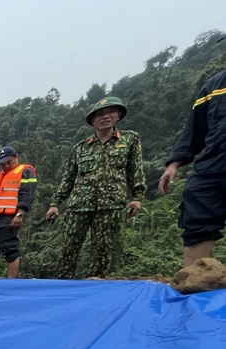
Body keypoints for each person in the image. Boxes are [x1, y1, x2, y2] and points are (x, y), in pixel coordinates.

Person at [46, 97, 146, 279]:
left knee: (102, 252)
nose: (105, 117)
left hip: (110, 205)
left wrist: (137, 197)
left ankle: (95, 288)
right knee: (68, 249)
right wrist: (55, 203)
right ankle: (60, 286)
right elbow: (68, 178)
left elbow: (135, 170)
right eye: (99, 114)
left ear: (119, 116)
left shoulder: (129, 140)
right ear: (92, 120)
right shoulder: (81, 148)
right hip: (79, 205)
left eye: (110, 112)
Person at [159, 49, 226, 266]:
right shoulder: (214, 86)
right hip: (213, 166)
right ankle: (196, 281)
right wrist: (174, 163)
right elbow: (194, 130)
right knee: (197, 207)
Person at [0, 146, 37, 279]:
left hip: (9, 218)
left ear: (16, 157)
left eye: (7, 162)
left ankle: (11, 282)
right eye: (2, 163)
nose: (4, 165)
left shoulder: (25, 171)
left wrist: (20, 214)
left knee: (10, 250)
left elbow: (27, 194)